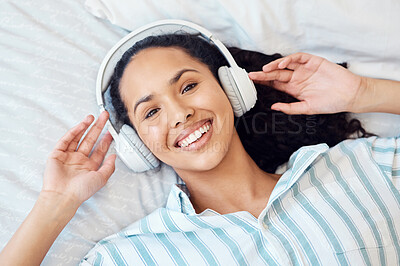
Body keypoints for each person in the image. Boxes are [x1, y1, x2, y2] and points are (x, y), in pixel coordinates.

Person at [0, 33, 399, 265]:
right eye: (151, 111)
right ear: (138, 145)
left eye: (188, 86)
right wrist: (56, 203)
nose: (179, 114)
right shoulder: (136, 256)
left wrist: (364, 92)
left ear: (232, 90)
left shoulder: (358, 167)